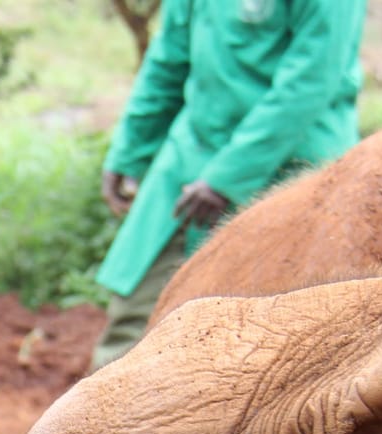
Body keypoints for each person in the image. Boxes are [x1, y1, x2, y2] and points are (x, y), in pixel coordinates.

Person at [87, 0, 364, 372]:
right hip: (191, 160)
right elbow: (168, 60)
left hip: (290, 175)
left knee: (270, 350)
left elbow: (309, 83)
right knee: (135, 328)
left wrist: (227, 178)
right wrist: (131, 149)